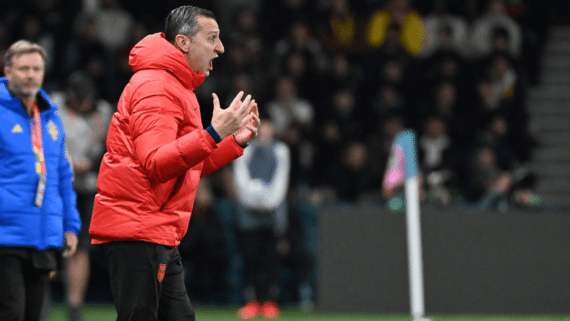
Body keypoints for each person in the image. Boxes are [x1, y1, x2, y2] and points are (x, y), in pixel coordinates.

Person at [88, 5, 260, 321]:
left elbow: (185, 167)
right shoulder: (157, 87)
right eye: (212, 38)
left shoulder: (174, 86)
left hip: (154, 230)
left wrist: (233, 141)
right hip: (139, 229)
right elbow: (156, 164)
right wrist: (214, 132)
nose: (221, 48)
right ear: (183, 42)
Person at [0, 40, 81, 321]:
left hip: (43, 233)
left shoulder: (50, 118)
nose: (31, 75)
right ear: (7, 71)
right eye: (23, 68)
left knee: (34, 315)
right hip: (5, 235)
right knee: (12, 312)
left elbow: (62, 175)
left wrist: (70, 226)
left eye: (37, 68)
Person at [51, 71, 114, 321]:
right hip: (55, 185)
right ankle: (39, 295)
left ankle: (74, 306)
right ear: (70, 96)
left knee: (81, 249)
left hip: (87, 187)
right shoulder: (53, 105)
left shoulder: (103, 111)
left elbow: (107, 146)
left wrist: (93, 163)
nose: (85, 104)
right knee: (47, 243)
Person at [232, 116, 291, 320]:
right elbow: (241, 182)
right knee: (250, 260)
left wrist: (268, 201)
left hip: (273, 216)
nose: (265, 131)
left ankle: (268, 302)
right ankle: (252, 302)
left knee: (270, 261)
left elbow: (280, 183)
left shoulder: (281, 150)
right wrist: (254, 199)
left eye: (268, 128)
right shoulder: (245, 150)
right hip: (248, 217)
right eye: (261, 128)